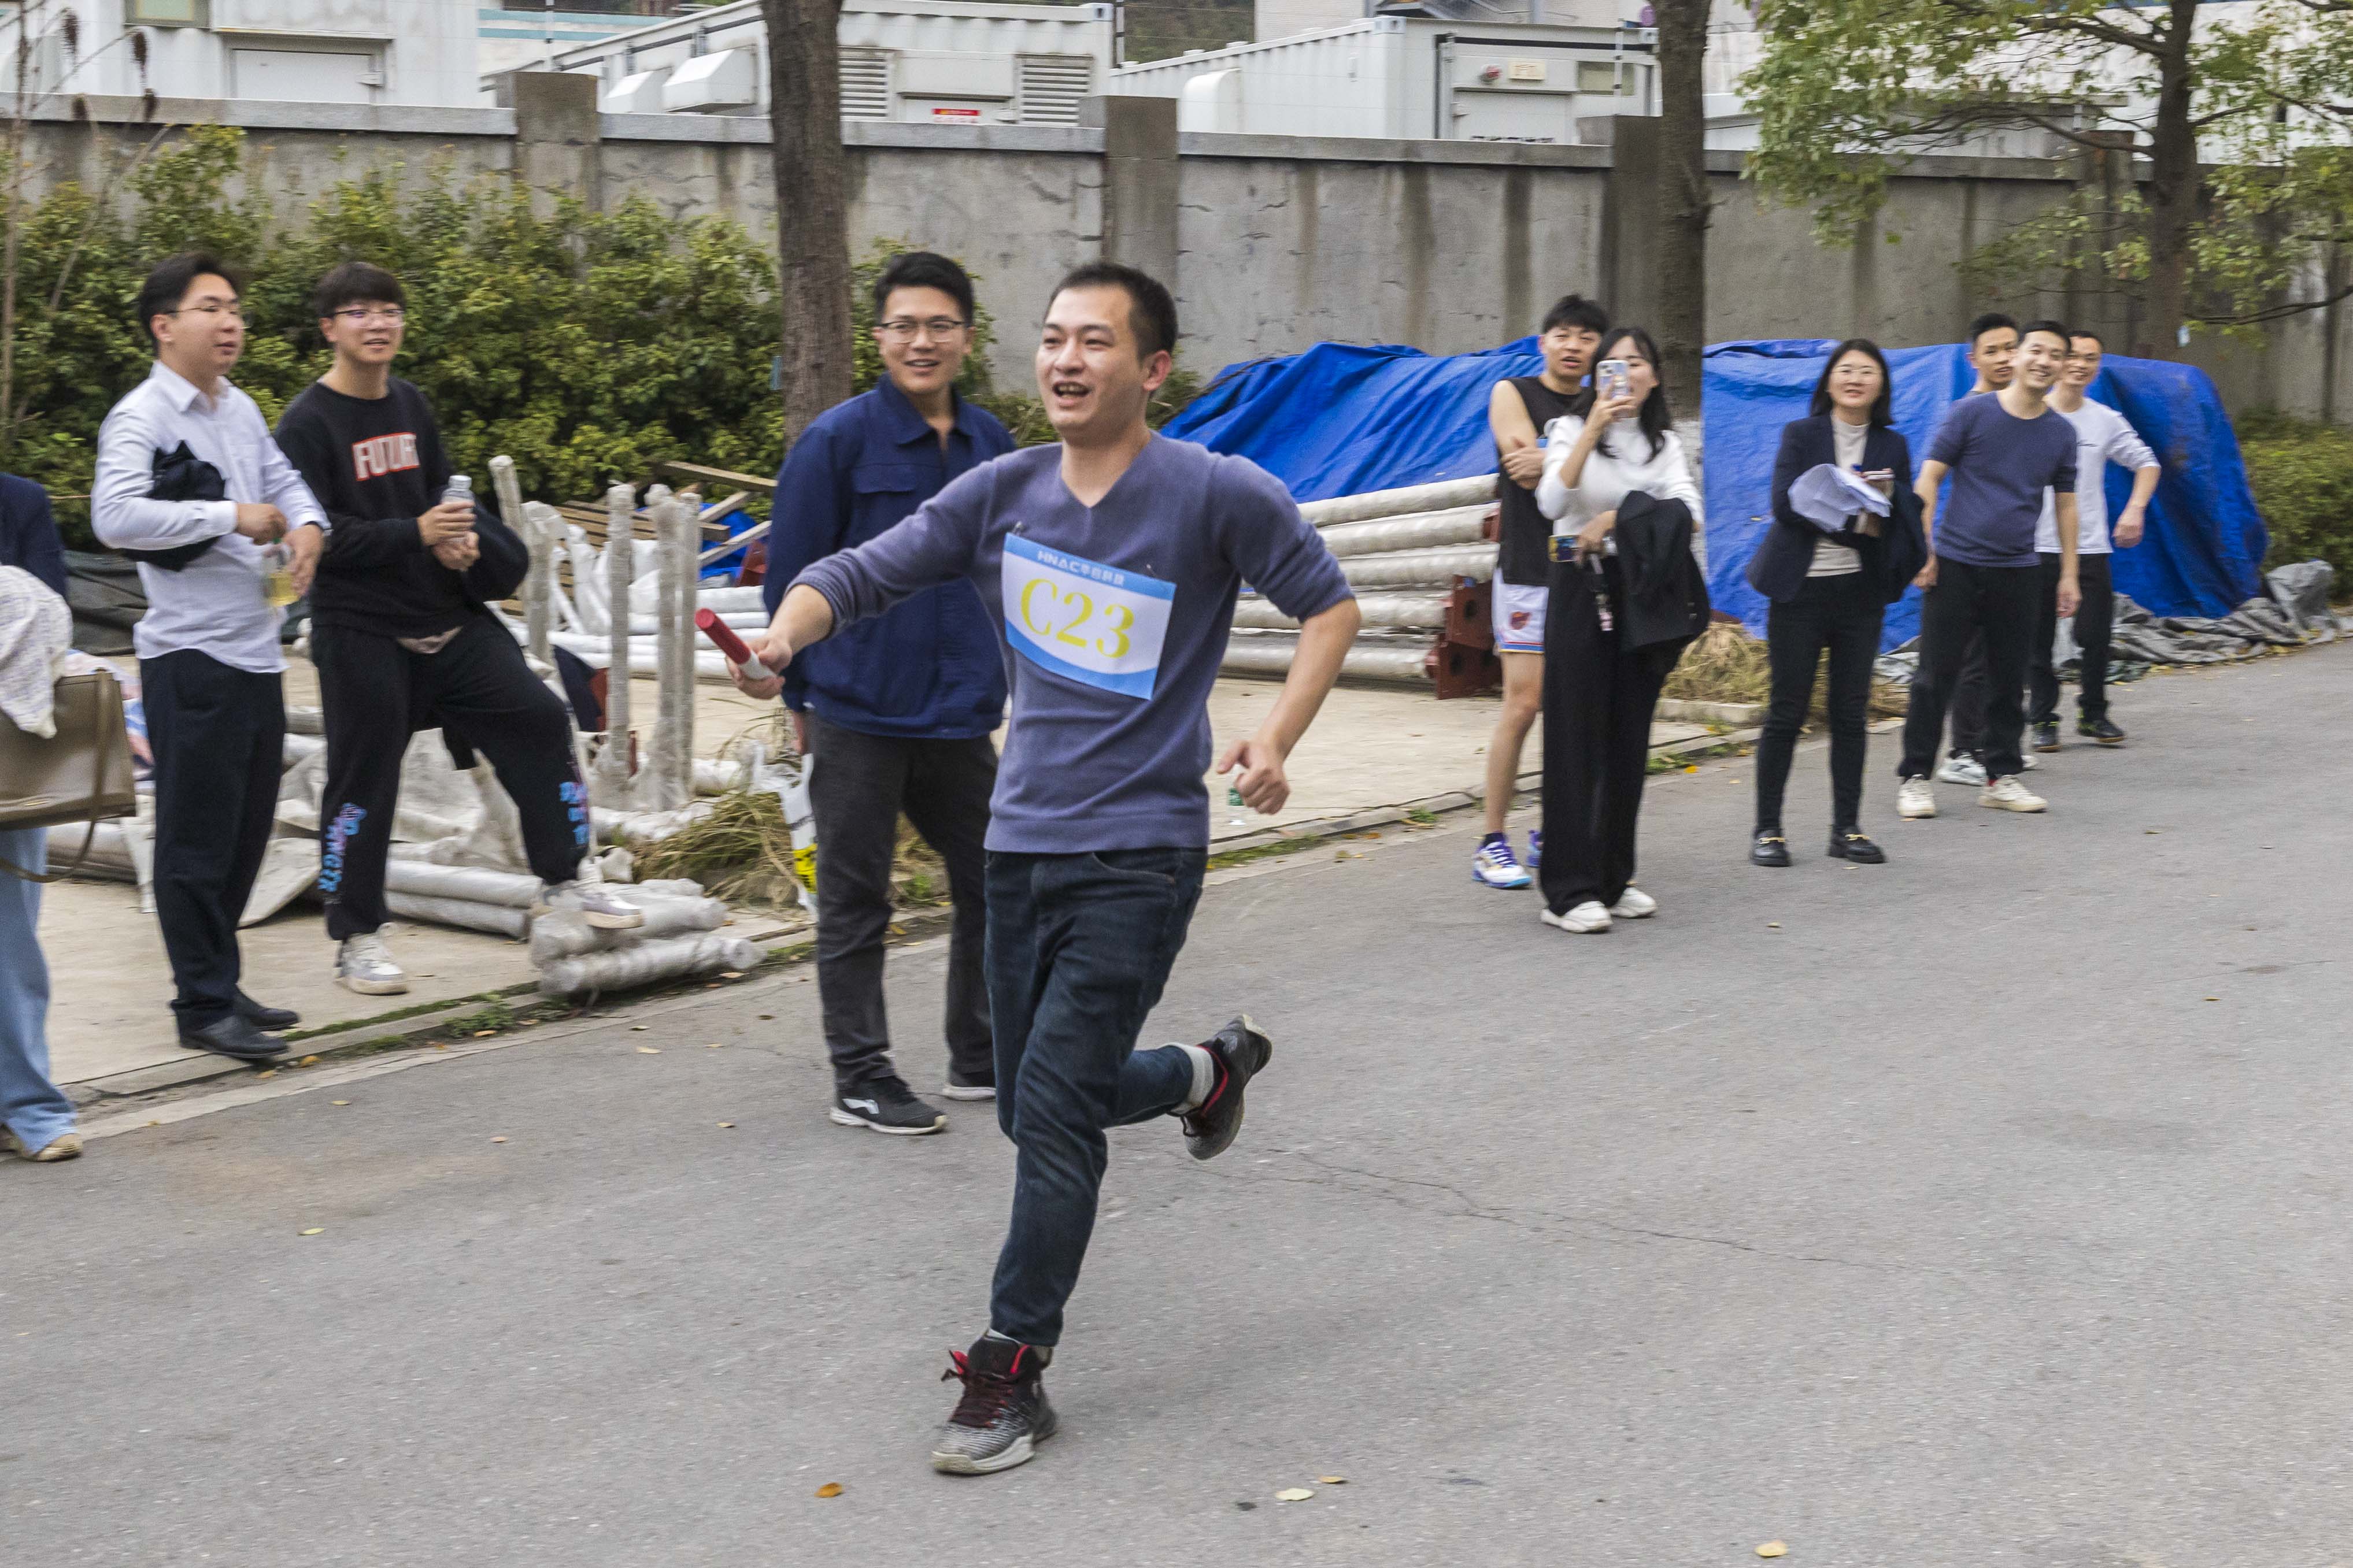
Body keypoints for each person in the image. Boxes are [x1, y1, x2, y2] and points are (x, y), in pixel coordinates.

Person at [737, 262, 1360, 1474]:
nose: (1067, 361)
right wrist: (783, 634)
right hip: (1019, 843)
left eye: (1096, 342)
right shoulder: (1003, 491)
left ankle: (1010, 1365)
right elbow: (859, 570)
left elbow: (1327, 607)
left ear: (1153, 369)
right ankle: (1202, 1072)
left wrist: (1276, 735)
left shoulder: (1214, 492)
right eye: (1054, 339)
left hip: (1141, 852)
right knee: (1035, 1101)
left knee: (1055, 1113)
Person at [273, 261, 637, 998]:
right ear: (329, 328)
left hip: (446, 618)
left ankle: (566, 878)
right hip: (360, 628)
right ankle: (357, 937)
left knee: (540, 719)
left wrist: (461, 544)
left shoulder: (411, 403)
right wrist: (416, 533)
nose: (378, 324)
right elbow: (316, 535)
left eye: (389, 310)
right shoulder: (306, 424)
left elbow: (442, 494)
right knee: (363, 780)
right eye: (359, 312)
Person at [759, 251, 1012, 1135]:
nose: (921, 341)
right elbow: (792, 578)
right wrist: (798, 697)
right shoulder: (835, 443)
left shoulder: (991, 446)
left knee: (999, 877)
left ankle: (979, 1054)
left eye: (940, 325)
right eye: (903, 325)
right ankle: (861, 1076)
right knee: (856, 898)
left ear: (967, 338)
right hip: (858, 709)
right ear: (878, 337)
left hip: (959, 712)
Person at [91, 254, 325, 1064]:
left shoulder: (240, 407)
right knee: (194, 841)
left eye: (235, 309)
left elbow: (286, 482)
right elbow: (114, 516)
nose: (231, 323)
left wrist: (306, 527)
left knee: (244, 833)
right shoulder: (142, 417)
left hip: (256, 652)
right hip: (191, 657)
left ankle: (221, 980)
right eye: (212, 307)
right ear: (165, 326)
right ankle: (200, 1002)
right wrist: (229, 515)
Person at [1533, 324, 1705, 933]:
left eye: (1636, 362)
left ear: (1654, 377)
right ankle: (1566, 890)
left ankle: (1612, 877)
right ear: (1596, 377)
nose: (1624, 373)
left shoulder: (1663, 444)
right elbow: (1552, 504)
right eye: (1612, 363)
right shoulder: (1567, 429)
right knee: (1574, 736)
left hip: (1639, 595)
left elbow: (1690, 512)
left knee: (1628, 738)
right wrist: (1592, 430)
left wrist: (1613, 519)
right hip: (1579, 586)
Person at [1745, 339, 1925, 868]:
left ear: (1881, 385)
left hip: (1859, 596)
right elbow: (1785, 505)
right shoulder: (1801, 434)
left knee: (1850, 713)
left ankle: (1846, 828)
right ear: (1828, 381)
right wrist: (1854, 517)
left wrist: (1851, 509)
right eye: (1845, 370)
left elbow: (1896, 518)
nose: (1855, 379)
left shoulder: (1892, 445)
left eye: (1867, 371)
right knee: (1787, 710)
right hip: (1799, 591)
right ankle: (1768, 830)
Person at [1896, 320, 2081, 819]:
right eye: (2036, 350)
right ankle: (1916, 777)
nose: (2044, 361)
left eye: (2056, 355)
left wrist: (2068, 574)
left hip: (2020, 569)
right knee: (1934, 677)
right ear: (2017, 356)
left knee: (2008, 680)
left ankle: (2001, 776)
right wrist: (1924, 550)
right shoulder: (1971, 413)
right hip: (1956, 564)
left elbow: (2066, 505)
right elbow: (1929, 480)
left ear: (2062, 366)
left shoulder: (2061, 433)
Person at [1473, 293, 1608, 890]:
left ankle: (1554, 832)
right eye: (1563, 334)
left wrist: (1552, 459)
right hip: (1529, 569)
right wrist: (1581, 455)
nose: (1573, 346)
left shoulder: (1604, 401)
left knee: (1575, 707)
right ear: (1543, 343)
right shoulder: (1513, 391)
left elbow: (1549, 468)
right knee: (1523, 703)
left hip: (1587, 573)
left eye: (1586, 337)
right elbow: (1524, 471)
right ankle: (1491, 841)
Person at [2028, 329, 2159, 751]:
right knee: (2037, 639)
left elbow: (2147, 463)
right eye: (2073, 356)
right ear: (2057, 361)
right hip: (2035, 545)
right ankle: (2042, 718)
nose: (2081, 365)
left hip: (2089, 546)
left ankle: (2093, 713)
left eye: (2091, 358)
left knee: (2096, 636)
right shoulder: (2030, 413)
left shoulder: (2104, 419)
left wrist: (2135, 508)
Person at [1, 473, 80, 1162]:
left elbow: (51, 611)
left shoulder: (19, 501)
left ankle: (31, 1110)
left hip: (12, 754)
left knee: (11, 940)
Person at [1936, 311, 2021, 789]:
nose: (2004, 357)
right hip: (1968, 555)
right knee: (1974, 660)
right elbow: (1931, 479)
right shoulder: (1967, 412)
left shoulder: (2025, 411)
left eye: (2011, 347)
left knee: (2002, 658)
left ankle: (1992, 745)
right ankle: (1962, 751)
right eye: (1993, 350)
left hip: (2015, 556)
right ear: (1974, 359)